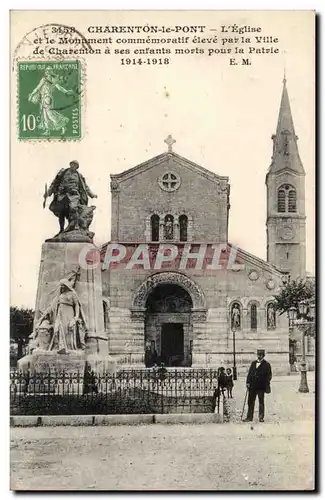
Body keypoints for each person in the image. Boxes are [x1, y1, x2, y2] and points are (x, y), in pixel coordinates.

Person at [243, 349, 272, 423]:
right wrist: (247, 382)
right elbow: (249, 374)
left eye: (260, 355)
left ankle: (261, 417)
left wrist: (265, 382)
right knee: (250, 402)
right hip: (252, 386)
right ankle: (249, 417)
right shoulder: (253, 363)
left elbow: (269, 375)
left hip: (261, 387)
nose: (259, 356)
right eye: (258, 355)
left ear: (263, 355)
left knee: (261, 402)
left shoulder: (267, 364)